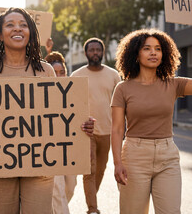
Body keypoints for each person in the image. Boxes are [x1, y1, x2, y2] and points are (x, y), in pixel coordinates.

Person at [0, 7, 95, 214]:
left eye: (23, 25)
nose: (17, 29)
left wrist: (80, 124)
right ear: (0, 35)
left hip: (40, 169)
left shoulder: (45, 70)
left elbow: (54, 116)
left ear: (31, 33)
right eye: (10, 25)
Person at [111, 29, 192, 214]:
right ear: (136, 54)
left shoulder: (173, 84)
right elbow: (116, 129)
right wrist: (117, 163)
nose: (153, 52)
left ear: (164, 54)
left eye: (158, 49)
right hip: (135, 157)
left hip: (167, 156)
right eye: (147, 48)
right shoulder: (123, 88)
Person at [71, 37, 121, 214]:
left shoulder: (114, 75)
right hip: (86, 131)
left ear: (103, 52)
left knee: (100, 169)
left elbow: (122, 104)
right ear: (86, 53)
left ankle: (92, 197)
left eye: (98, 50)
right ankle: (92, 208)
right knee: (90, 171)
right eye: (91, 50)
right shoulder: (76, 76)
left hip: (108, 131)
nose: (95, 53)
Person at [45, 50, 77, 214]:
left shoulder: (74, 94)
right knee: (58, 193)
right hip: (50, 150)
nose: (59, 76)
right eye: (54, 73)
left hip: (69, 151)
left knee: (70, 187)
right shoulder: (39, 95)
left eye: (62, 72)